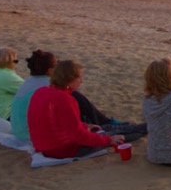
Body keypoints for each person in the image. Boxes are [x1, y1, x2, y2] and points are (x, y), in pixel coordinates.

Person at [11, 49, 146, 142]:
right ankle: (111, 124)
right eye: (56, 64)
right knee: (119, 132)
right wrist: (106, 139)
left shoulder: (29, 83)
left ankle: (115, 125)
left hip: (22, 131)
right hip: (36, 136)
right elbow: (75, 134)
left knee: (100, 127)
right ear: (50, 70)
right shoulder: (53, 89)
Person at [27, 60, 125, 159]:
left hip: (42, 147)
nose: (81, 81)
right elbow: (78, 135)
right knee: (122, 136)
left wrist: (85, 125)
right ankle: (139, 129)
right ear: (70, 79)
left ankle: (136, 128)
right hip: (60, 150)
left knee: (107, 131)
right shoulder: (65, 99)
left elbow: (61, 122)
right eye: (79, 77)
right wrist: (109, 140)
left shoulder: (40, 91)